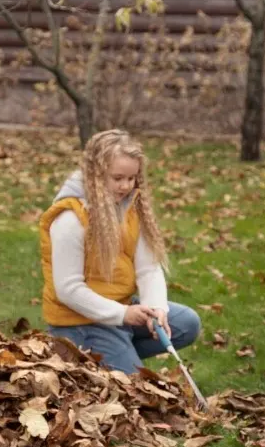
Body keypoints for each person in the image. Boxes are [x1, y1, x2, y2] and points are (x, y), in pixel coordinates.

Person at [39, 130, 202, 374]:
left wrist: (156, 309)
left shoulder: (128, 208)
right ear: (95, 174)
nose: (126, 186)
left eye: (131, 178)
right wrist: (123, 314)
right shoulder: (70, 218)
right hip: (79, 322)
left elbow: (148, 268)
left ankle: (117, 354)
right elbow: (68, 290)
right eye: (117, 178)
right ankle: (96, 355)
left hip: (121, 309)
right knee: (135, 389)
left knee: (187, 323)